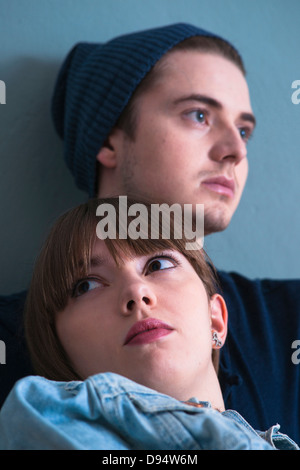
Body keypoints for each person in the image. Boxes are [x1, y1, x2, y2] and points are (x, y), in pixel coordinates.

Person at [1, 23, 300, 443]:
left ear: (218, 316)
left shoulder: (291, 318)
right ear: (110, 138)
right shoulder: (15, 348)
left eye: (244, 129)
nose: (235, 150)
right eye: (199, 115)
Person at [0, 197, 298, 450]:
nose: (135, 291)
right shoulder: (37, 409)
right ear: (58, 346)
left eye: (158, 265)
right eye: (87, 286)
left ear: (216, 320)